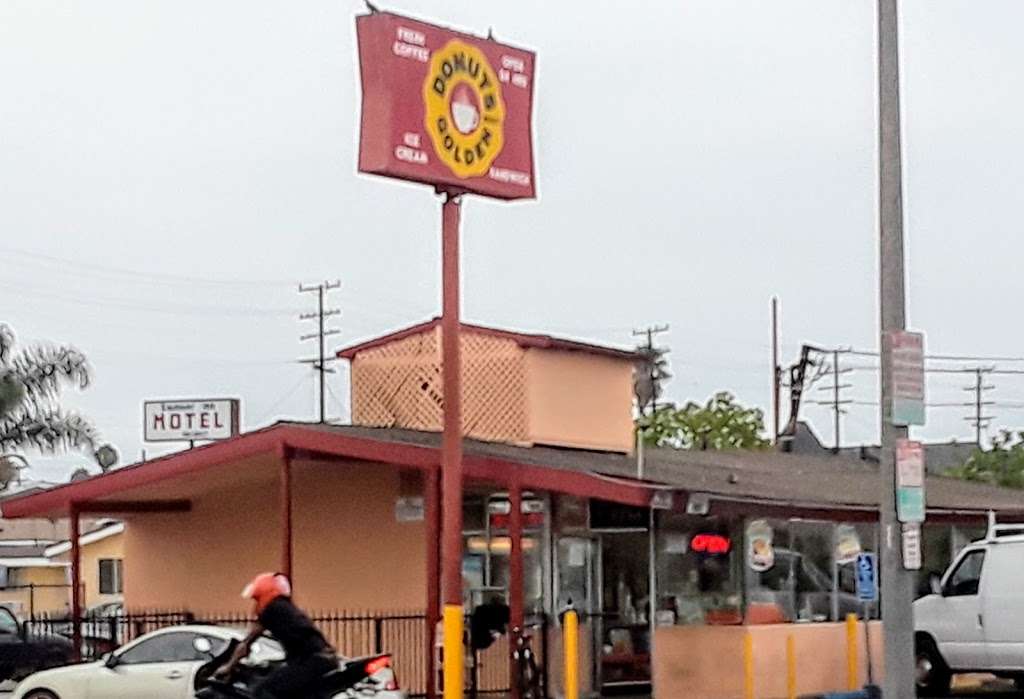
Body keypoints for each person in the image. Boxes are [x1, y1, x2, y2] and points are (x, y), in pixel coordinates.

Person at [217, 572, 337, 699]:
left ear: (264, 593)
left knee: (263, 691)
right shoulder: (285, 607)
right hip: (323, 659)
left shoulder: (271, 609)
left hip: (310, 661)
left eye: (257, 598)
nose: (256, 603)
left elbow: (246, 643)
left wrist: (229, 666)